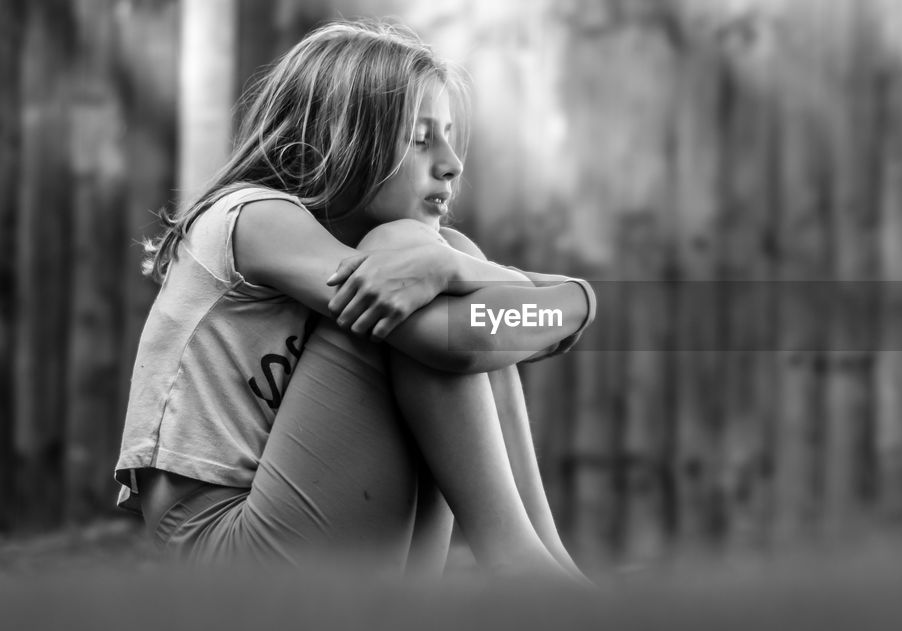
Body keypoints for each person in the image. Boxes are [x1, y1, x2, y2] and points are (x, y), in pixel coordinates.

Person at [114, 19, 594, 582]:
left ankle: (547, 565)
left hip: (324, 535)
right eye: (420, 139)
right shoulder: (251, 217)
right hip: (228, 554)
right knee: (414, 275)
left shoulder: (353, 252)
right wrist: (556, 302)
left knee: (434, 270)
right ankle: (522, 567)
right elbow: (457, 342)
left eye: (447, 135)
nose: (451, 162)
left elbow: (486, 326)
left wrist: (573, 301)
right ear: (342, 138)